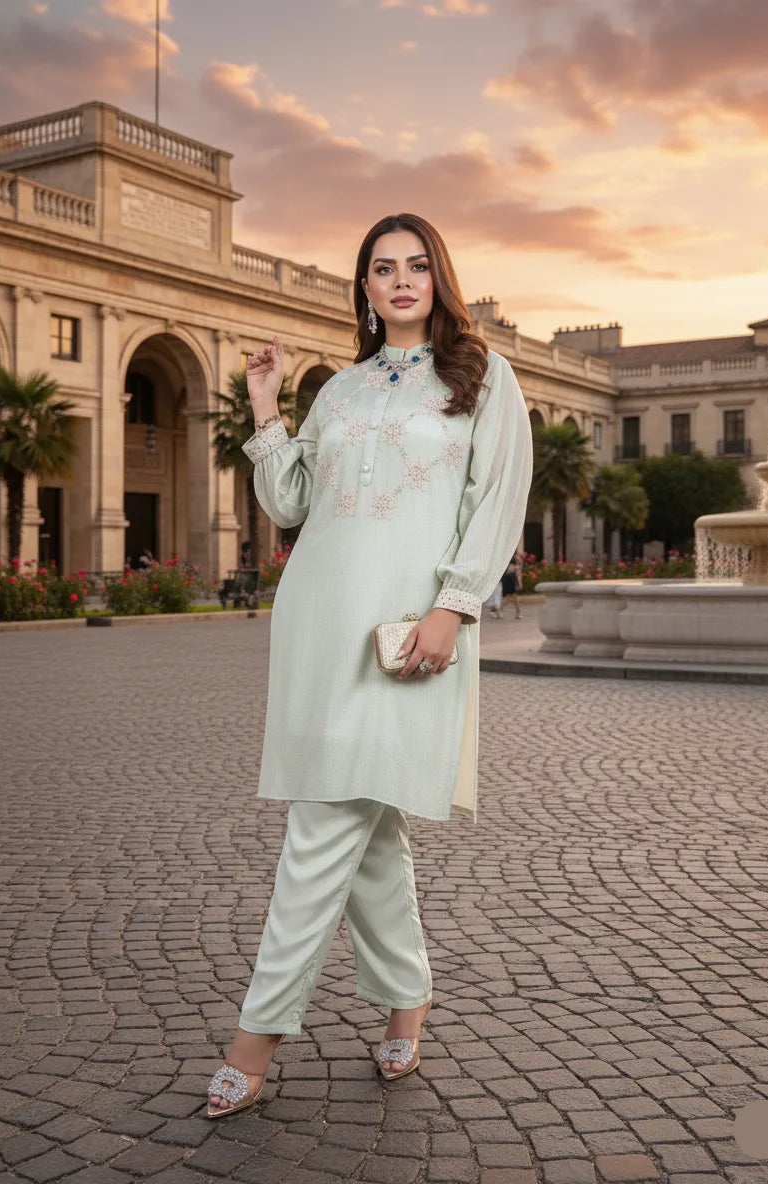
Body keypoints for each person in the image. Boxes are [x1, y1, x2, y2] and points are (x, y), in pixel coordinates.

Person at [205, 212, 533, 1118]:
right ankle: (408, 1000)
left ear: (439, 278)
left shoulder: (483, 378)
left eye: (416, 266)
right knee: (368, 833)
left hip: (409, 633)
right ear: (363, 286)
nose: (399, 281)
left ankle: (255, 1038)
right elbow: (290, 499)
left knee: (323, 829)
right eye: (382, 268)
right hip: (319, 628)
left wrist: (452, 606)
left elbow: (498, 501)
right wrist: (268, 403)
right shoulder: (340, 391)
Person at [501, 551, 523, 619]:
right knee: (513, 597)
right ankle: (518, 612)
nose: (519, 557)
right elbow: (517, 573)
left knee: (509, 597)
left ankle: (499, 610)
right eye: (518, 556)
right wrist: (520, 583)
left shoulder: (511, 561)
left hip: (509, 580)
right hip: (510, 580)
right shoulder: (513, 562)